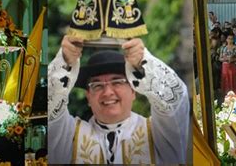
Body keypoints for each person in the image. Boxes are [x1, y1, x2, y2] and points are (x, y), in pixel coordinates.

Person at [47, 36, 188, 164]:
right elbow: (49, 104)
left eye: (117, 82)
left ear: (134, 91)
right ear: (88, 96)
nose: (107, 92)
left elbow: (176, 101)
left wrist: (143, 61)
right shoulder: (69, 135)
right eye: (97, 85)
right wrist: (64, 62)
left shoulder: (159, 134)